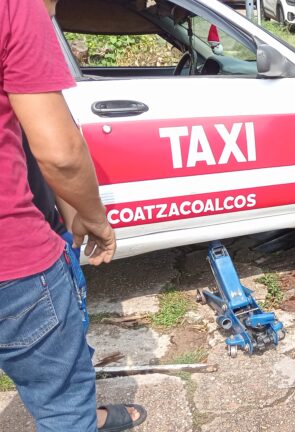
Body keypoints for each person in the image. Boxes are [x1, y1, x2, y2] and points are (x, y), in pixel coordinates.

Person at [0, 0, 139, 430]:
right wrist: (95, 218)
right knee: (62, 403)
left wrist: (66, 209)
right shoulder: (16, 7)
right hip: (12, 261)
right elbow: (59, 154)